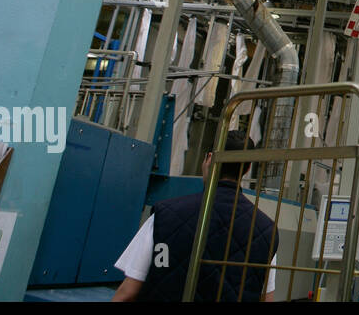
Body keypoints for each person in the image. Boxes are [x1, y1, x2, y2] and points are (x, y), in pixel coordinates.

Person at [112, 129, 279, 302]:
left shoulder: (165, 214)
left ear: (208, 159)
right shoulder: (266, 231)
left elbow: (128, 291)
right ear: (247, 168)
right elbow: (267, 297)